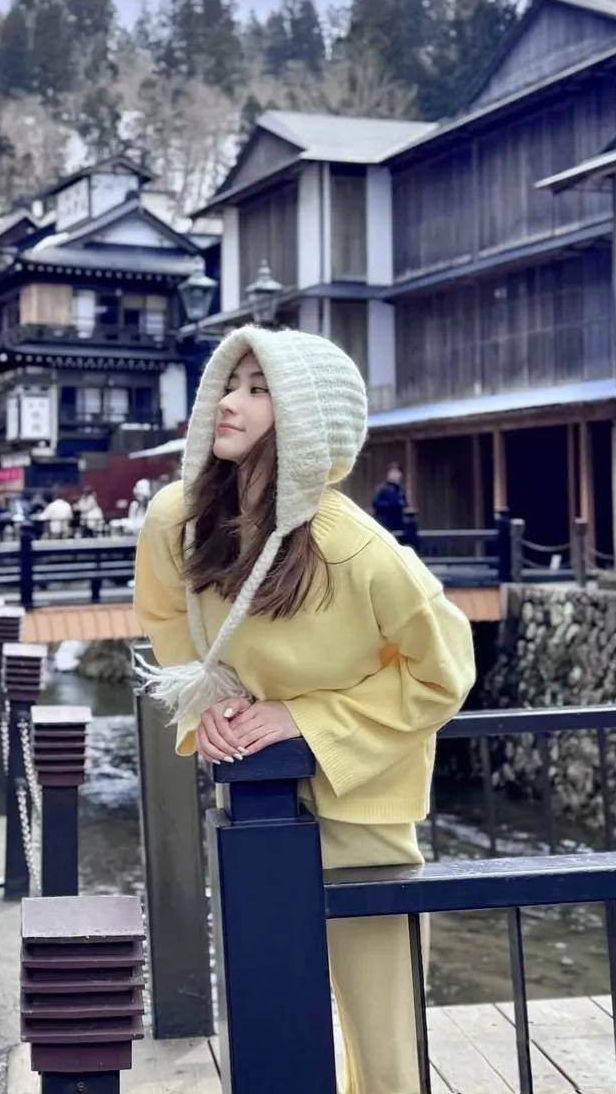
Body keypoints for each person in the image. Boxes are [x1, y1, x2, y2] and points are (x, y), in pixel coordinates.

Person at [133, 326, 474, 1094]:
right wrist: (208, 705)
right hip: (255, 804)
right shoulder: (175, 519)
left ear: (306, 421)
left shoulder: (357, 549)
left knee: (385, 1050)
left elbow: (445, 671)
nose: (229, 402)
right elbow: (166, 622)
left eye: (259, 390)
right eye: (230, 384)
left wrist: (304, 719)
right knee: (270, 1024)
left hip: (364, 812)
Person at [373, 461, 408, 534]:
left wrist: (402, 504)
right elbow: (376, 503)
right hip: (384, 520)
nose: (394, 475)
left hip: (398, 521)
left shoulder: (400, 489)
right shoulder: (382, 488)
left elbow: (404, 503)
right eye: (392, 472)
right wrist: (392, 505)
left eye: (396, 472)